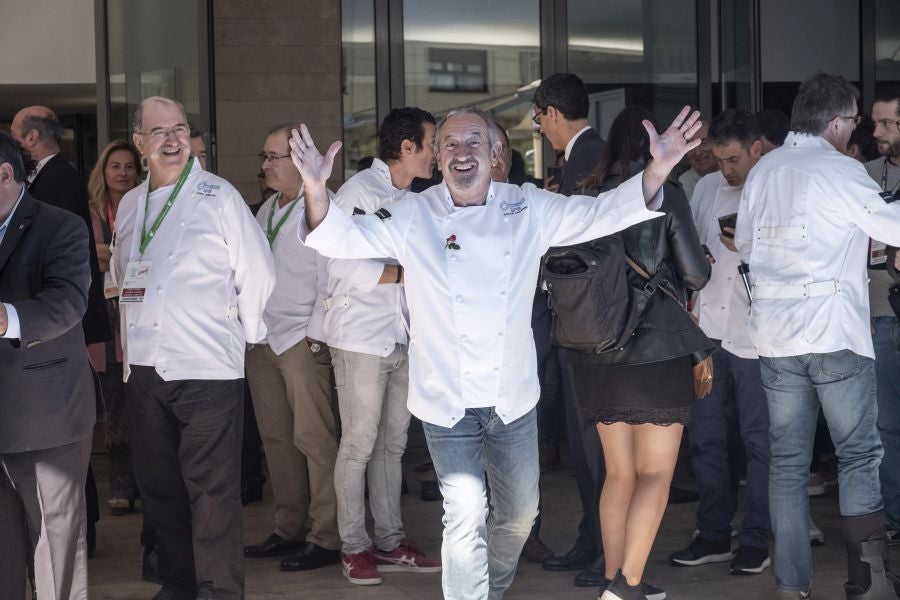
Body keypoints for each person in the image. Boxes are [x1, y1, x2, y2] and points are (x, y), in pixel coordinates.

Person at [289, 104, 702, 599]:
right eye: (451, 145)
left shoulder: (526, 206)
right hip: (444, 398)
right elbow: (341, 238)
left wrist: (658, 169)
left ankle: (492, 584)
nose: (463, 154)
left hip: (510, 396)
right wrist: (316, 189)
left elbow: (601, 214)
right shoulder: (412, 214)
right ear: (438, 157)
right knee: (463, 518)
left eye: (473, 144)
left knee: (517, 516)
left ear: (495, 153)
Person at [735, 72, 900, 600]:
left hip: (776, 340)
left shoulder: (764, 171)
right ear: (835, 122)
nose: (856, 129)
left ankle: (791, 585)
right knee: (858, 455)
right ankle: (868, 583)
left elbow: (741, 242)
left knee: (787, 462)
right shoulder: (841, 170)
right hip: (835, 334)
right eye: (854, 119)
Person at [111, 96, 275, 599]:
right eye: (159, 131)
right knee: (160, 488)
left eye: (180, 129)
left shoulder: (217, 194)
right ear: (140, 143)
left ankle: (219, 590)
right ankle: (179, 583)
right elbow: (122, 276)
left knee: (212, 491)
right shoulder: (131, 203)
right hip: (143, 368)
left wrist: (239, 335)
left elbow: (259, 271)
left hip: (206, 367)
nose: (172, 139)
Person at [565, 106, 709, 600]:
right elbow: (695, 274)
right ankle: (626, 586)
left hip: (599, 350)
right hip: (656, 351)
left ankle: (614, 578)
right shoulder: (666, 193)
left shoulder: (587, 194)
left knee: (619, 473)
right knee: (655, 473)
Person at [324, 107, 441, 585]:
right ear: (407, 148)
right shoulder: (358, 193)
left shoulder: (414, 198)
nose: (437, 153)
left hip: (401, 336)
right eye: (432, 144)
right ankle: (354, 547)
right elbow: (343, 266)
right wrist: (412, 274)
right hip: (361, 339)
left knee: (392, 446)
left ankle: (390, 541)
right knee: (358, 444)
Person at [669, 109, 771, 575]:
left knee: (758, 440)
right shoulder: (706, 188)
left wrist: (748, 245)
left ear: (757, 148)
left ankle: (757, 536)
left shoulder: (772, 188)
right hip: (708, 330)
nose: (726, 168)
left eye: (733, 159)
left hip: (756, 335)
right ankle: (713, 532)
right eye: (719, 157)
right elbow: (687, 246)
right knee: (707, 438)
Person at [0, 131, 96, 600]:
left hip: (45, 419)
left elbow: (68, 303)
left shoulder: (61, 226)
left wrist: (6, 318)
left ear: (4, 174)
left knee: (53, 547)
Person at [242, 124, 341, 573]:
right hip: (263, 339)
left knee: (314, 440)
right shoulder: (265, 210)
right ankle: (289, 529)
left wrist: (316, 334)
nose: (265, 165)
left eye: (273, 157)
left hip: (301, 338)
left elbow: (331, 278)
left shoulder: (320, 207)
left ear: (301, 160)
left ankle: (327, 537)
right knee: (276, 440)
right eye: (264, 157)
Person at [532, 72, 608, 586]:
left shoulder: (589, 159)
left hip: (588, 319)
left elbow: (578, 245)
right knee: (586, 445)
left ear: (553, 114)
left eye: (539, 119)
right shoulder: (583, 156)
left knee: (594, 444)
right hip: (582, 319)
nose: (539, 129)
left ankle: (604, 546)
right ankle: (595, 538)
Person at [491, 122, 553, 566]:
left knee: (521, 444)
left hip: (524, 335)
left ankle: (526, 534)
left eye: (495, 149)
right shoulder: (437, 207)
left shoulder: (526, 204)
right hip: (461, 359)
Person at [87, 140, 144, 516]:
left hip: (139, 311)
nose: (122, 173)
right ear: (103, 173)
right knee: (115, 406)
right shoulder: (89, 212)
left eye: (129, 166)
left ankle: (148, 481)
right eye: (115, 166)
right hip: (104, 317)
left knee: (143, 402)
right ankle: (121, 484)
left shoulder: (145, 206)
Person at [865, 88, 900, 544]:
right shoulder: (863, 175)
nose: (876, 133)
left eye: (888, 124)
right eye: (874, 123)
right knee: (886, 425)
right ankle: (893, 513)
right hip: (875, 313)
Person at [677, 120, 718, 202]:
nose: (697, 152)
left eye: (704, 143)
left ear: (717, 142)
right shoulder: (684, 182)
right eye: (691, 145)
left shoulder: (731, 173)